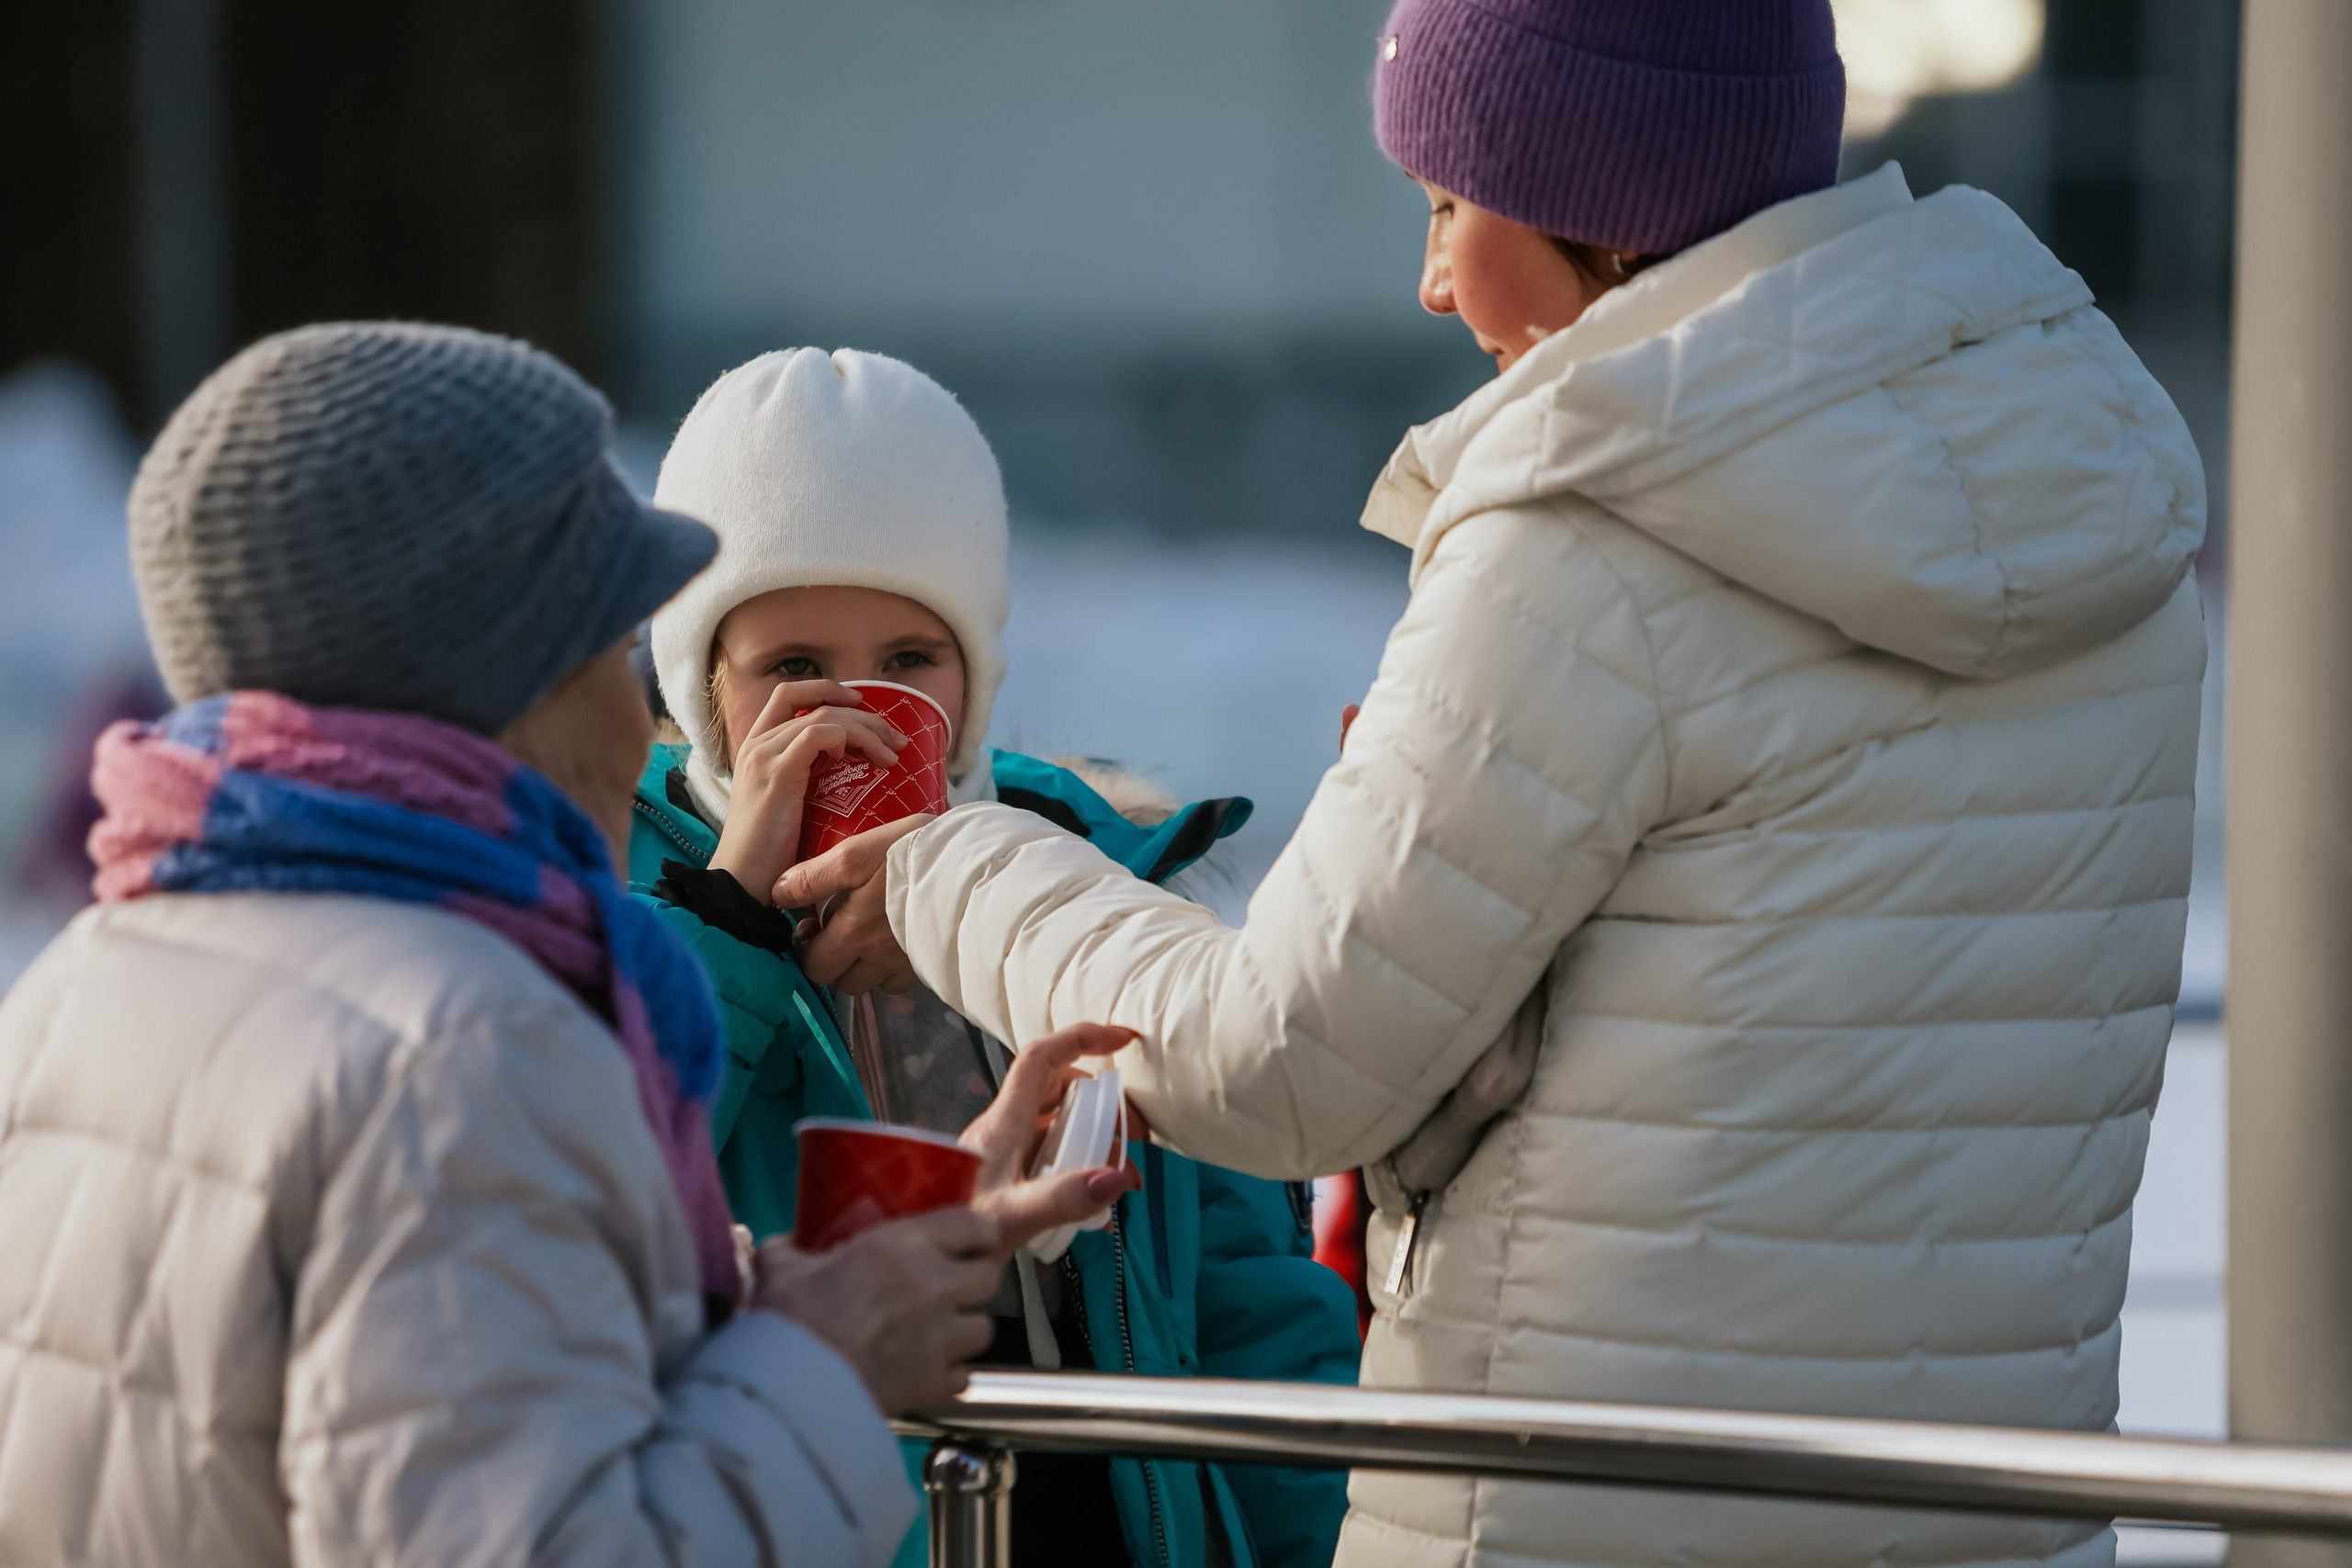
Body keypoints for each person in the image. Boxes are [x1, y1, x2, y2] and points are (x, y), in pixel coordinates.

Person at [776, 4, 2211, 1566]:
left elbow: (1283, 1064)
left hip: (1586, 1516)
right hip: (1981, 1523)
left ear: (1600, 205)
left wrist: (946, 866)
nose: (1434, 276)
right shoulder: (2095, 500)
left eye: (1455, 206)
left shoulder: (1600, 532)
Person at [0, 321, 1127, 1567]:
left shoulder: (79, 982)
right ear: (505, 674)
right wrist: (824, 1364)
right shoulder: (462, 1044)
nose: (636, 706)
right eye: (613, 644)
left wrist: (771, 1300)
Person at [628, 346, 1363, 1568]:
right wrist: (731, 921)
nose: (850, 710)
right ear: (704, 686)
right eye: (792, 669)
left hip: (1115, 1516)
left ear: (975, 676)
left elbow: (1249, 1296)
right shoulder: (632, 903)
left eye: (909, 661)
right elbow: (610, 1179)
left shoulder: (1080, 889)